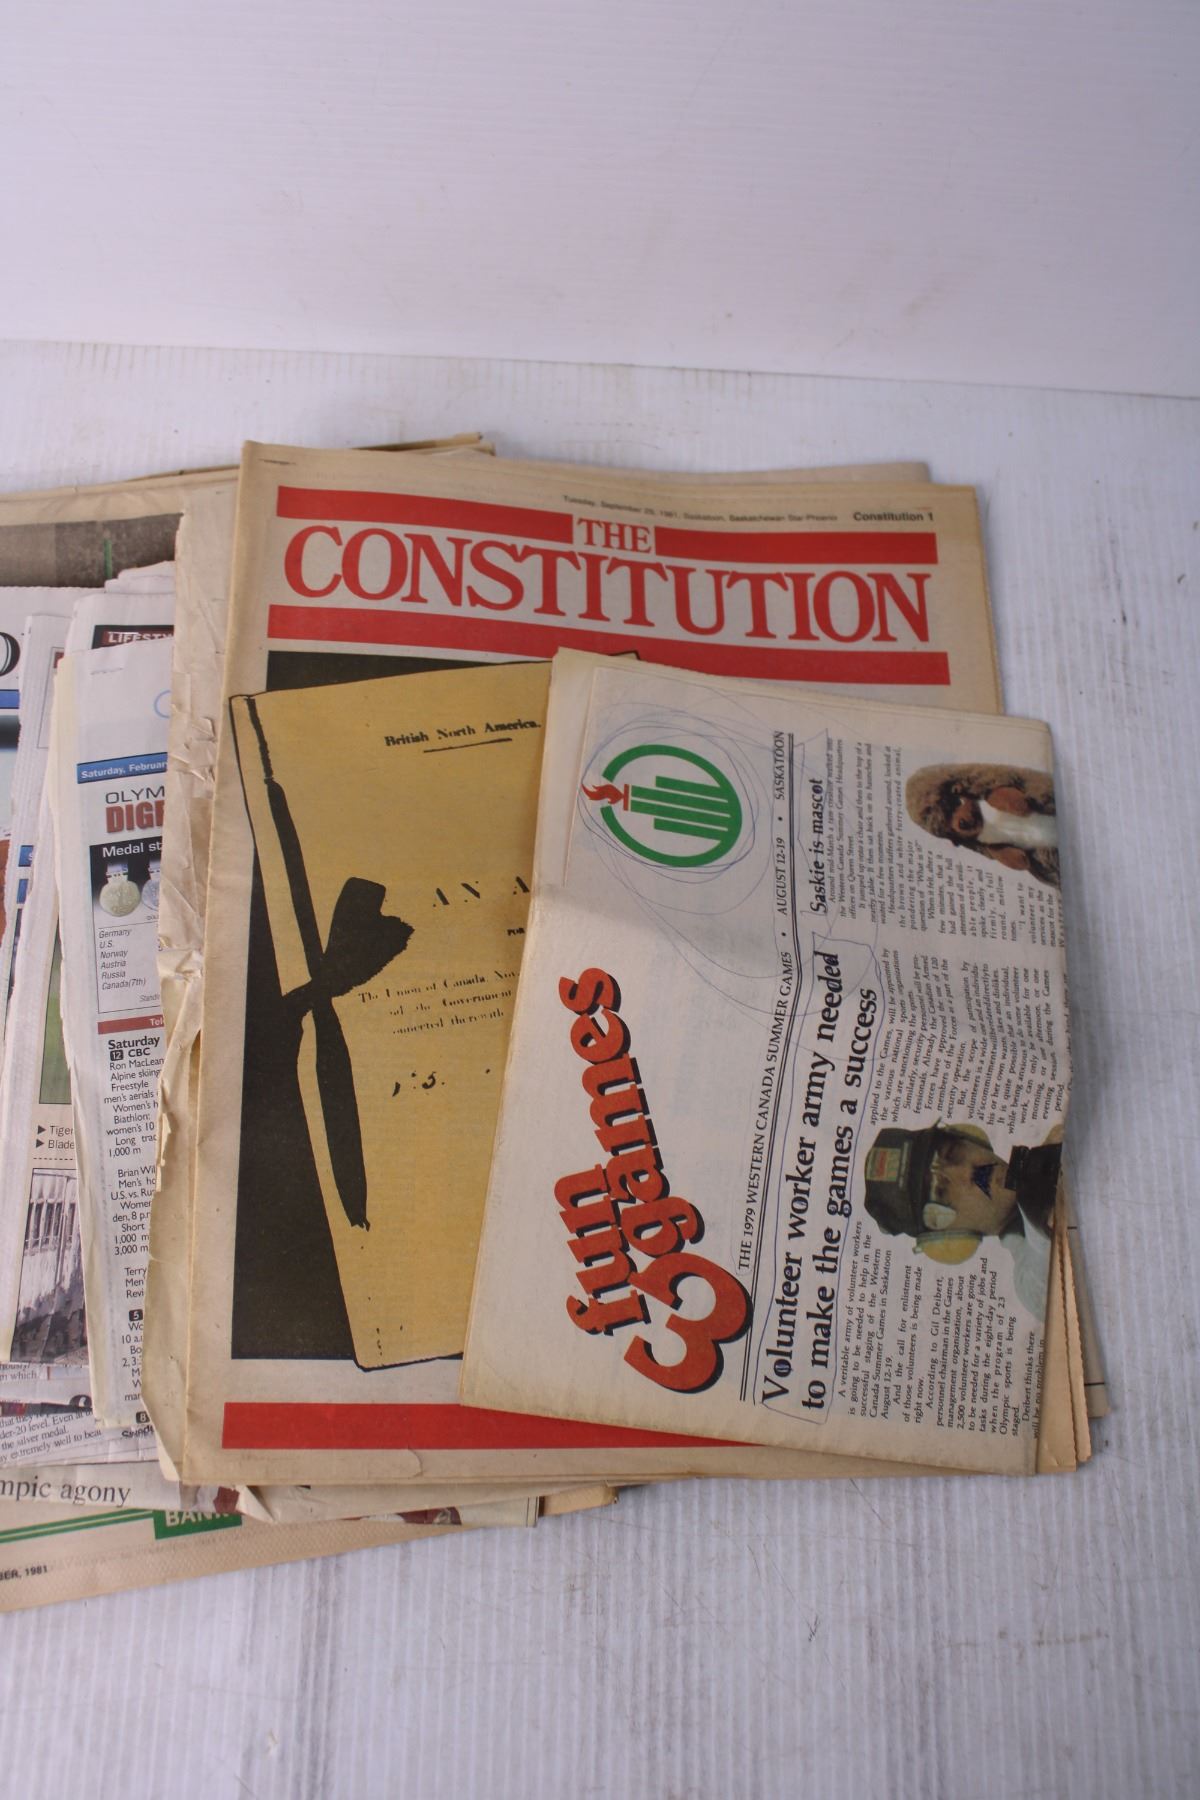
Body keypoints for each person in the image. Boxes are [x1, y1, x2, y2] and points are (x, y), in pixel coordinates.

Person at [863, 1121, 1061, 1317]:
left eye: (953, 1153)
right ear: (950, 1236)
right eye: (942, 1191)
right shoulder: (1032, 1282)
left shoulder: (1058, 1140)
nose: (969, 1172)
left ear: (972, 1139)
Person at [905, 762, 1059, 886]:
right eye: (949, 826)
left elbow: (1003, 781)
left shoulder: (985, 794)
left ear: (959, 790)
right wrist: (999, 852)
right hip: (1046, 851)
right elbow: (1012, 858)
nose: (960, 822)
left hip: (1048, 812)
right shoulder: (981, 841)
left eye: (956, 805)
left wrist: (997, 794)